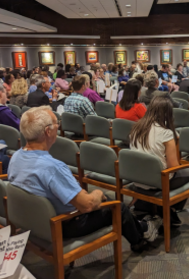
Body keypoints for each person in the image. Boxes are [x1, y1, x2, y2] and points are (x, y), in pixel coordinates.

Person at [9, 106, 160, 252]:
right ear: (48, 132)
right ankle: (140, 239)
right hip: (64, 224)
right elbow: (86, 206)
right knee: (117, 206)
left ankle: (141, 228)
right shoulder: (52, 167)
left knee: (107, 202)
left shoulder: (16, 157)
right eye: (57, 124)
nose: (58, 127)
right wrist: (98, 194)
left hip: (34, 222)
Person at [130, 95, 189, 226]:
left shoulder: (136, 129)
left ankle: (147, 205)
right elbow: (173, 166)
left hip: (137, 178)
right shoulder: (166, 134)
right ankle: (171, 208)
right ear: (168, 113)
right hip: (158, 181)